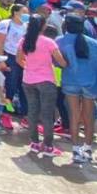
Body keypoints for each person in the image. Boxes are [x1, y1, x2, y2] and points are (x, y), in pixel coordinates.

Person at [16, 14, 67, 157]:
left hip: (28, 80)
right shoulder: (48, 42)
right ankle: (48, 146)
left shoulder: (24, 41)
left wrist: (29, 68)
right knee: (47, 114)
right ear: (43, 26)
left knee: (32, 112)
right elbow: (61, 62)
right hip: (46, 80)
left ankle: (34, 142)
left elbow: (19, 59)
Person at [58, 13, 97, 164]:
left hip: (70, 82)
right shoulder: (94, 43)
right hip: (91, 83)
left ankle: (75, 151)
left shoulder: (60, 41)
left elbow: (57, 63)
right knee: (89, 117)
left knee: (73, 116)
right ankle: (87, 149)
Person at [0, 3, 29, 120]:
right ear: (15, 12)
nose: (26, 15)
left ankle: (24, 113)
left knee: (24, 86)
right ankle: (6, 111)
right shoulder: (6, 24)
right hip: (10, 56)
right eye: (23, 12)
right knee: (10, 85)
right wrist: (1, 60)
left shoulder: (26, 26)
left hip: (23, 58)